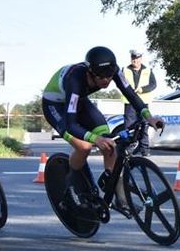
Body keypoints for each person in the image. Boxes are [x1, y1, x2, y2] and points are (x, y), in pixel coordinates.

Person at [41, 46, 164, 213]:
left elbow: (132, 96)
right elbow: (71, 124)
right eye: (101, 78)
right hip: (55, 105)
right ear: (90, 73)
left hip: (79, 101)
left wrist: (150, 118)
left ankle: (120, 198)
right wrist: (95, 140)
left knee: (110, 142)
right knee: (84, 147)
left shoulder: (113, 71)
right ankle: (70, 186)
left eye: (109, 77)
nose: (106, 81)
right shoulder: (75, 80)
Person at [121, 49, 158, 156]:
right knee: (129, 127)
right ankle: (128, 149)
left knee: (144, 125)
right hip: (129, 102)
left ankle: (144, 150)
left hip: (143, 102)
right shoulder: (124, 70)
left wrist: (143, 89)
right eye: (133, 59)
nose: (135, 61)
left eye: (137, 59)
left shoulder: (148, 70)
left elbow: (153, 84)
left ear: (141, 59)